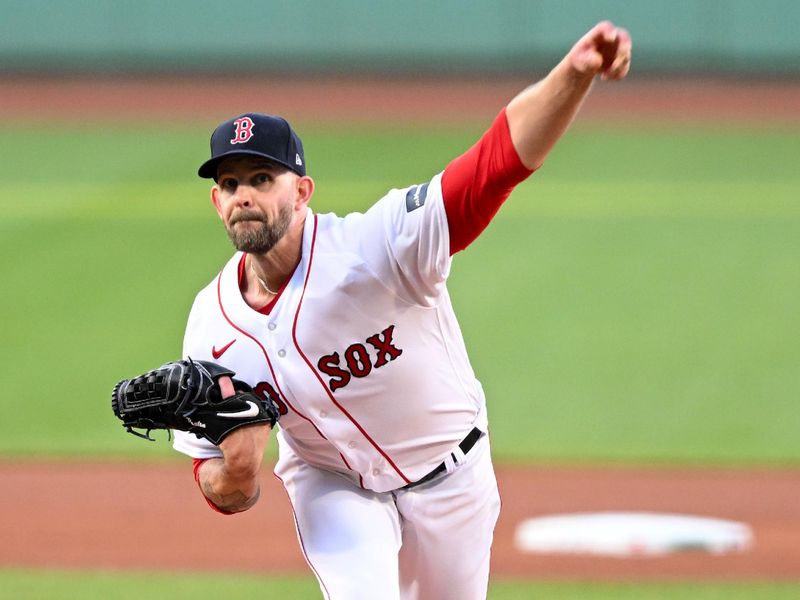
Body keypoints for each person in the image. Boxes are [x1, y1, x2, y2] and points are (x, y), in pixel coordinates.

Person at [173, 21, 631, 600]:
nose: (244, 194)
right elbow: (214, 481)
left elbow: (492, 168)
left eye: (263, 178)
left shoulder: (377, 246)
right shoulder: (209, 324)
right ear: (217, 201)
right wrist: (234, 475)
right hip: (334, 484)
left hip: (452, 473)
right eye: (231, 181)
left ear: (302, 191)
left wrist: (574, 74)